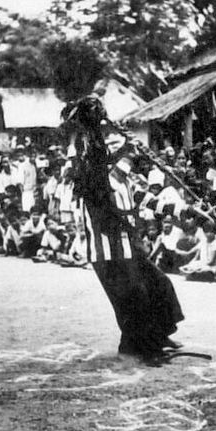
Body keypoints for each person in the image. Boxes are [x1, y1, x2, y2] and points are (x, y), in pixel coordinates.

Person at [66, 96, 184, 365]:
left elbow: (145, 198)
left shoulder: (120, 176)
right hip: (107, 250)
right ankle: (138, 348)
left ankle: (159, 335)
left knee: (158, 284)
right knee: (133, 298)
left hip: (128, 244)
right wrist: (130, 152)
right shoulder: (94, 181)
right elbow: (112, 175)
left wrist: (185, 212)